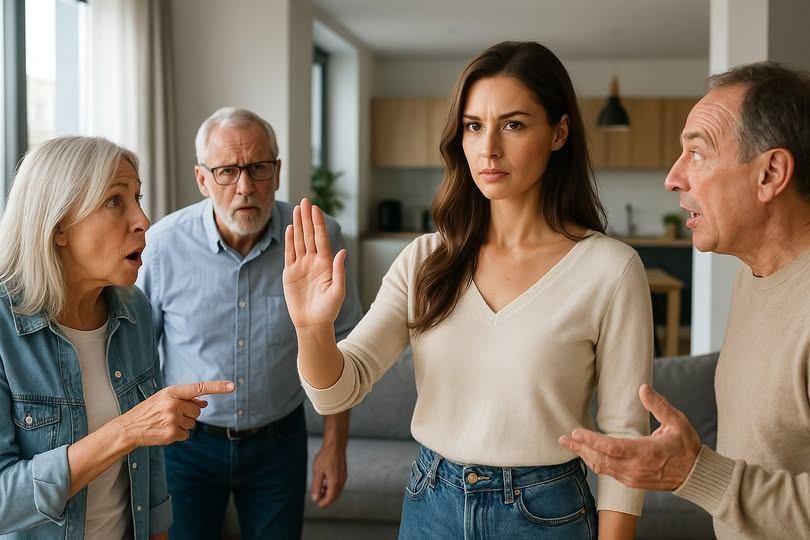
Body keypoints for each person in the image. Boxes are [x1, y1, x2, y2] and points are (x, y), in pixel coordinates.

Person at [282, 42, 653, 539]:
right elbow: (338, 391)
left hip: (547, 515)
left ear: (559, 132)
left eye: (514, 124)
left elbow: (625, 436)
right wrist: (312, 329)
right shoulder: (425, 259)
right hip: (431, 503)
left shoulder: (611, 269)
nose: (488, 148)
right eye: (474, 126)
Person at [559, 62, 810, 539]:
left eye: (696, 152)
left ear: (770, 174)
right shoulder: (755, 274)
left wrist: (695, 472)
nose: (673, 178)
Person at [137, 107, 362, 539]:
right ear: (202, 179)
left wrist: (334, 447)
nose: (245, 187)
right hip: (186, 446)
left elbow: (345, 343)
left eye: (257, 168)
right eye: (226, 171)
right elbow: (139, 354)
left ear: (276, 172)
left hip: (279, 443)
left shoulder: (319, 238)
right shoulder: (163, 246)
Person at [0, 135, 233, 539]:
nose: (142, 219)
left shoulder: (134, 310)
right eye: (115, 201)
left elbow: (151, 462)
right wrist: (125, 431)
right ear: (58, 227)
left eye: (138, 198)